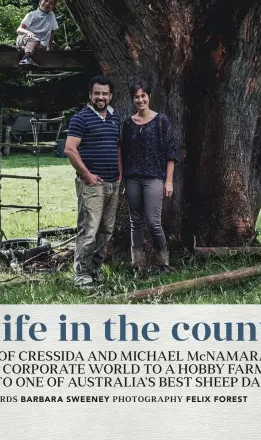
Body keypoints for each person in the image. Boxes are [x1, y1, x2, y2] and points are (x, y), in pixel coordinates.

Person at [64, 75, 122, 289]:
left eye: (104, 93)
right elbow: (70, 149)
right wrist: (87, 175)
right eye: (97, 93)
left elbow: (117, 147)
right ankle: (81, 275)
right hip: (91, 184)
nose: (101, 97)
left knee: (106, 230)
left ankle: (94, 270)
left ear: (110, 96)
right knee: (89, 229)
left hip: (113, 183)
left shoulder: (115, 118)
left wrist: (120, 173)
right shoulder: (81, 118)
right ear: (90, 95)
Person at [121, 81, 177, 273]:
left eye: (143, 96)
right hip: (132, 178)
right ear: (133, 99)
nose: (140, 100)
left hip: (154, 178)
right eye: (136, 97)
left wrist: (168, 181)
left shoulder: (162, 121)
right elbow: (123, 152)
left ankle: (163, 264)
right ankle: (138, 265)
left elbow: (171, 153)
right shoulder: (128, 124)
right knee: (135, 222)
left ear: (149, 97)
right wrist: (122, 177)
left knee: (153, 222)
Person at [15, 0, 58, 67]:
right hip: (25, 39)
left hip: (40, 45)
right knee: (34, 39)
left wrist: (49, 48)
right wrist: (27, 32)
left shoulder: (52, 16)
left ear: (53, 7)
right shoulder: (32, 15)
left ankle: (25, 51)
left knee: (40, 45)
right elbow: (19, 29)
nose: (47, 4)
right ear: (40, 1)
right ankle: (26, 58)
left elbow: (53, 32)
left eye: (51, 3)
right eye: (46, 1)